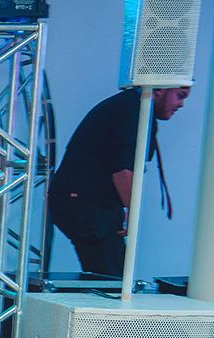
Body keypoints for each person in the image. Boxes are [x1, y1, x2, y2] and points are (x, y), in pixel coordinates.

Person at [48, 86, 189, 277]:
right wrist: (133, 210)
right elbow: (123, 166)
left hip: (84, 201)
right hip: (86, 202)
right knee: (111, 281)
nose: (181, 105)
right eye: (180, 96)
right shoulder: (132, 108)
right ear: (159, 89)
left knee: (109, 277)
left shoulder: (132, 107)